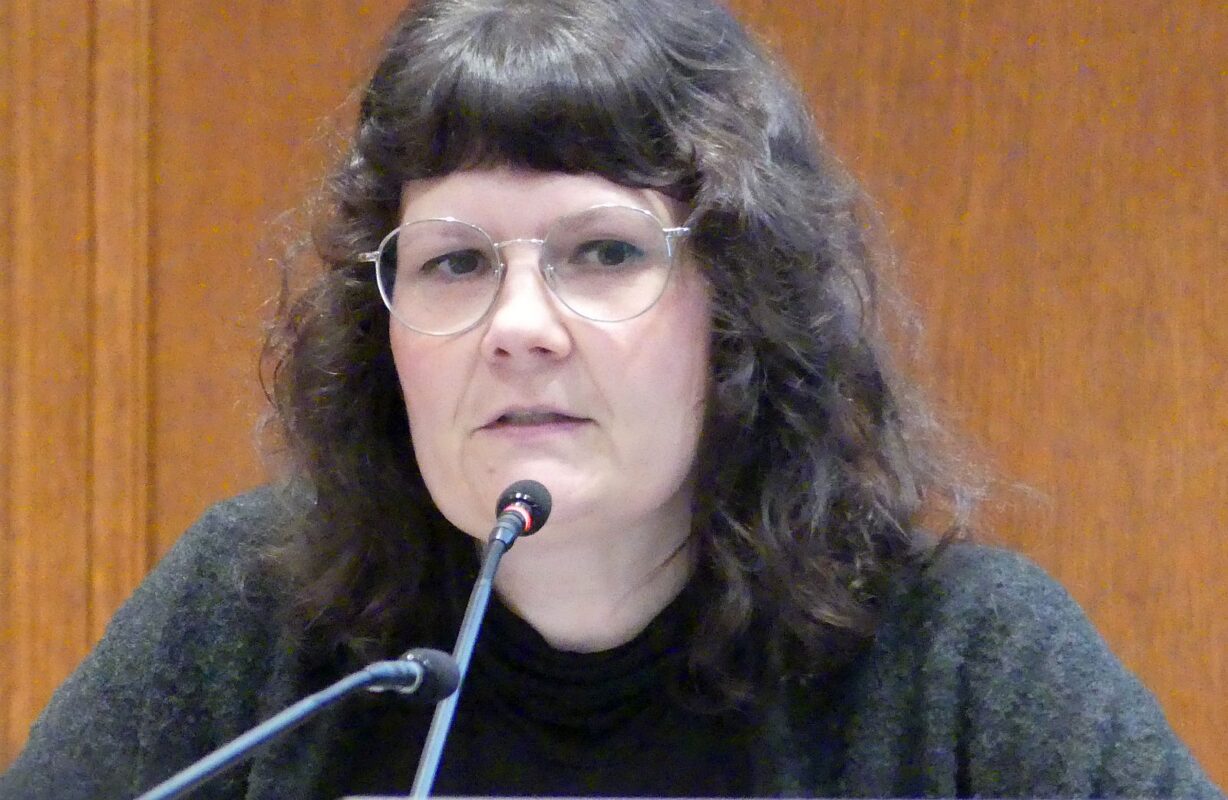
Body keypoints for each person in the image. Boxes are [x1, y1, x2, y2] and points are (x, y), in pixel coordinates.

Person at [1, 0, 1222, 798]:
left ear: (740, 303)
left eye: (603, 252)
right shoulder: (253, 618)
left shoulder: (961, 664)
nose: (519, 326)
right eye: (455, 263)